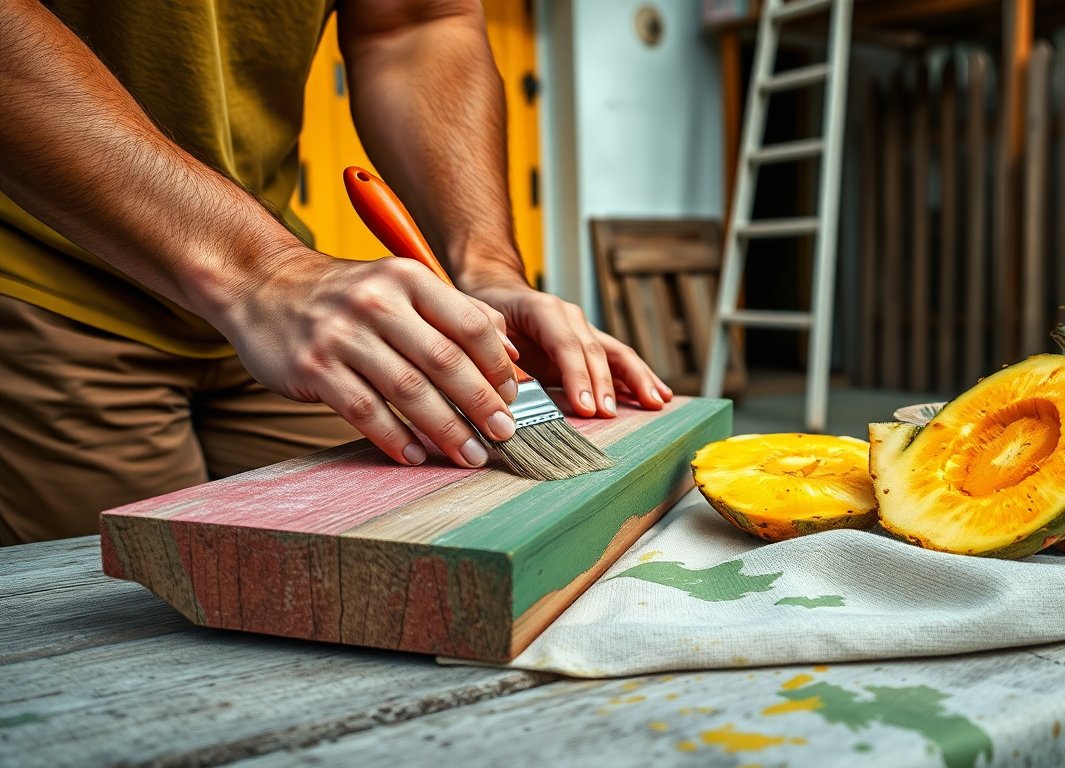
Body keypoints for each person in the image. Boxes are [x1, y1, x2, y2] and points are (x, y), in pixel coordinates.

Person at [0, 0, 673, 545]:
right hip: (43, 277)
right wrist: (260, 273)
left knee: (416, 524)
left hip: (273, 316)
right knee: (128, 605)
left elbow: (417, 23)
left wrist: (486, 271)